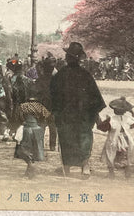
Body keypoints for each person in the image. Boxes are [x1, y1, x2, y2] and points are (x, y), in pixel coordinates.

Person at [50, 42, 106, 178]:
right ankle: (85, 166)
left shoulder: (59, 76)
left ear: (68, 58)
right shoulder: (86, 75)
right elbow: (95, 97)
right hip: (84, 115)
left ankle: (67, 168)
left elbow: (53, 97)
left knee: (66, 138)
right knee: (84, 137)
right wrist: (96, 115)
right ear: (79, 59)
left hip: (65, 114)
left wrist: (54, 112)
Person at [100, 97, 134, 179]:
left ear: (114, 109)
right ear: (125, 111)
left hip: (113, 140)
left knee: (110, 155)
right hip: (125, 140)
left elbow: (102, 128)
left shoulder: (111, 119)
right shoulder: (127, 118)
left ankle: (111, 174)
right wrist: (131, 111)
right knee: (126, 156)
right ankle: (127, 174)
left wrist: (101, 121)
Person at [13, 97, 52, 179]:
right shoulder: (40, 106)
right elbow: (48, 116)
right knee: (35, 149)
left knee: (23, 150)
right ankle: (30, 168)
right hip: (37, 130)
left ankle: (30, 167)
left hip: (27, 129)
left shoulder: (23, 106)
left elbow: (18, 118)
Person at [33, 56, 58, 151]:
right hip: (53, 106)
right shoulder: (57, 80)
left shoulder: (39, 80)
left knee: (42, 126)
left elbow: (36, 93)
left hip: (42, 105)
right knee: (53, 127)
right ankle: (52, 146)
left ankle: (40, 144)